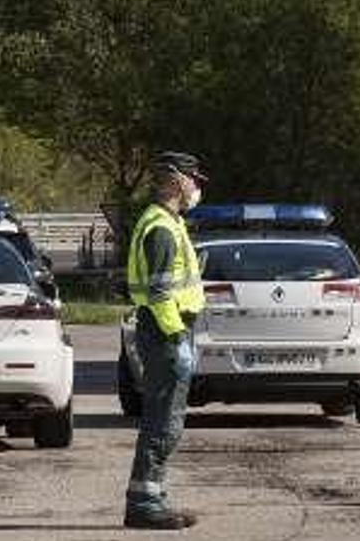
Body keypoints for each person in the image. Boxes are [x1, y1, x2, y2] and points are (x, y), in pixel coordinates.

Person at [124, 151, 208, 530]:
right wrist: (176, 338)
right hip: (165, 332)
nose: (196, 187)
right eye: (193, 179)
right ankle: (144, 504)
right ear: (176, 181)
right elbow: (159, 293)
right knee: (162, 421)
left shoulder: (168, 221)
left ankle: (153, 496)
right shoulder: (160, 226)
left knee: (167, 420)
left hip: (169, 330)